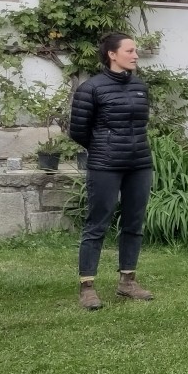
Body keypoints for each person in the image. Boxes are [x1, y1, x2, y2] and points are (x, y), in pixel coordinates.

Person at [69, 33, 155, 309]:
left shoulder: (140, 86)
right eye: (130, 50)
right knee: (97, 224)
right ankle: (87, 287)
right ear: (112, 55)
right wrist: (105, 147)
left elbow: (140, 124)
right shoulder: (90, 88)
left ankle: (127, 281)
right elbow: (79, 130)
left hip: (139, 163)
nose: (135, 55)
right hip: (105, 165)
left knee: (134, 222)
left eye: (135, 51)